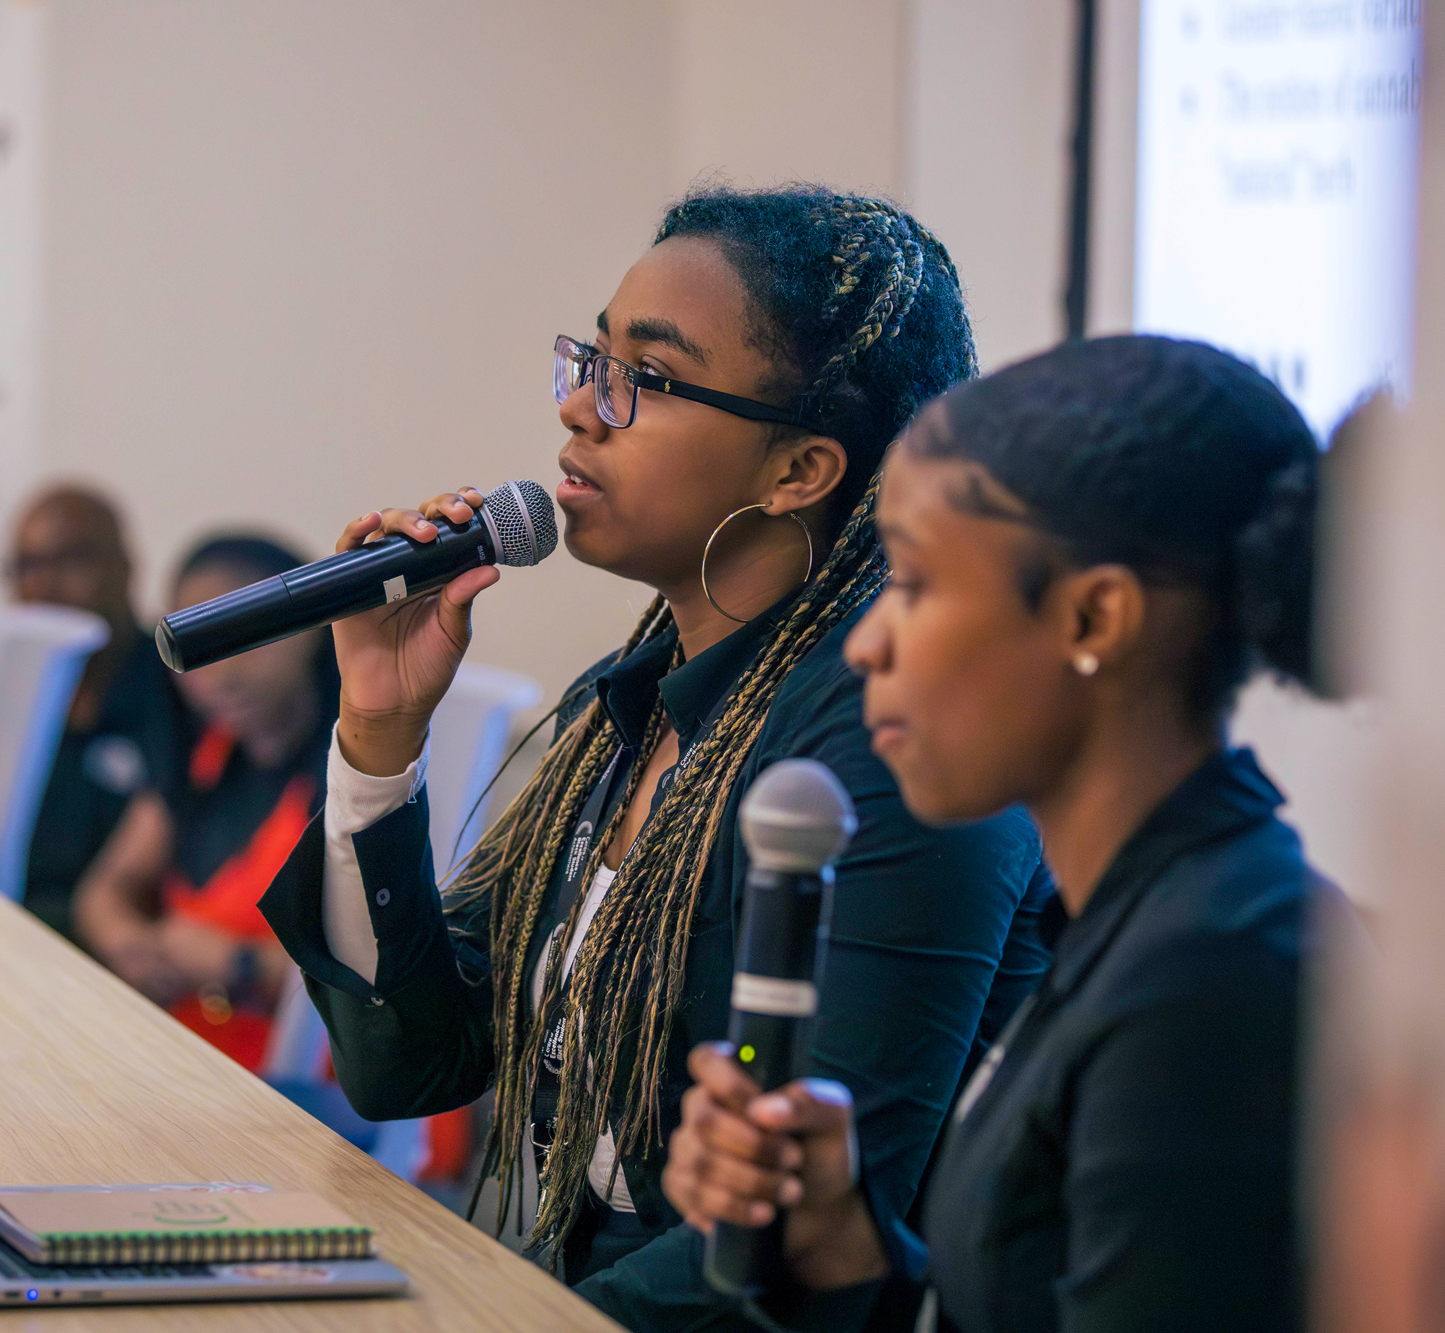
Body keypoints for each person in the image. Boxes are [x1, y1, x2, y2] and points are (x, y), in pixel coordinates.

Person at [256, 186, 1053, 1331]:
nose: (582, 406)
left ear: (798, 471)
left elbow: (793, 1252)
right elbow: (409, 1065)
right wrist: (377, 735)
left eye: (647, 376)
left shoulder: (887, 759)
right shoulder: (626, 705)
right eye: (590, 357)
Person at [664, 335, 1355, 1332]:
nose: (865, 641)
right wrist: (841, 1241)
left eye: (913, 583)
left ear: (1091, 618)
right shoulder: (1134, 915)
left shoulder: (1214, 974)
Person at [74, 534, 339, 1071]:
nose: (223, 670)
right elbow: (104, 889)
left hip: (314, 1087)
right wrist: (129, 942)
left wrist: (235, 963)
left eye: (251, 637)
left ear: (313, 628)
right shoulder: (203, 756)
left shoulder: (360, 774)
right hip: (188, 1053)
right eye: (201, 643)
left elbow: (383, 978)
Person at [7, 484, 185, 945]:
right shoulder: (4, 693)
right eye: (26, 566)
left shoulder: (177, 689)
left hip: (122, 957)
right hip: (0, 932)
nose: (42, 586)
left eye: (71, 560)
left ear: (125, 568)